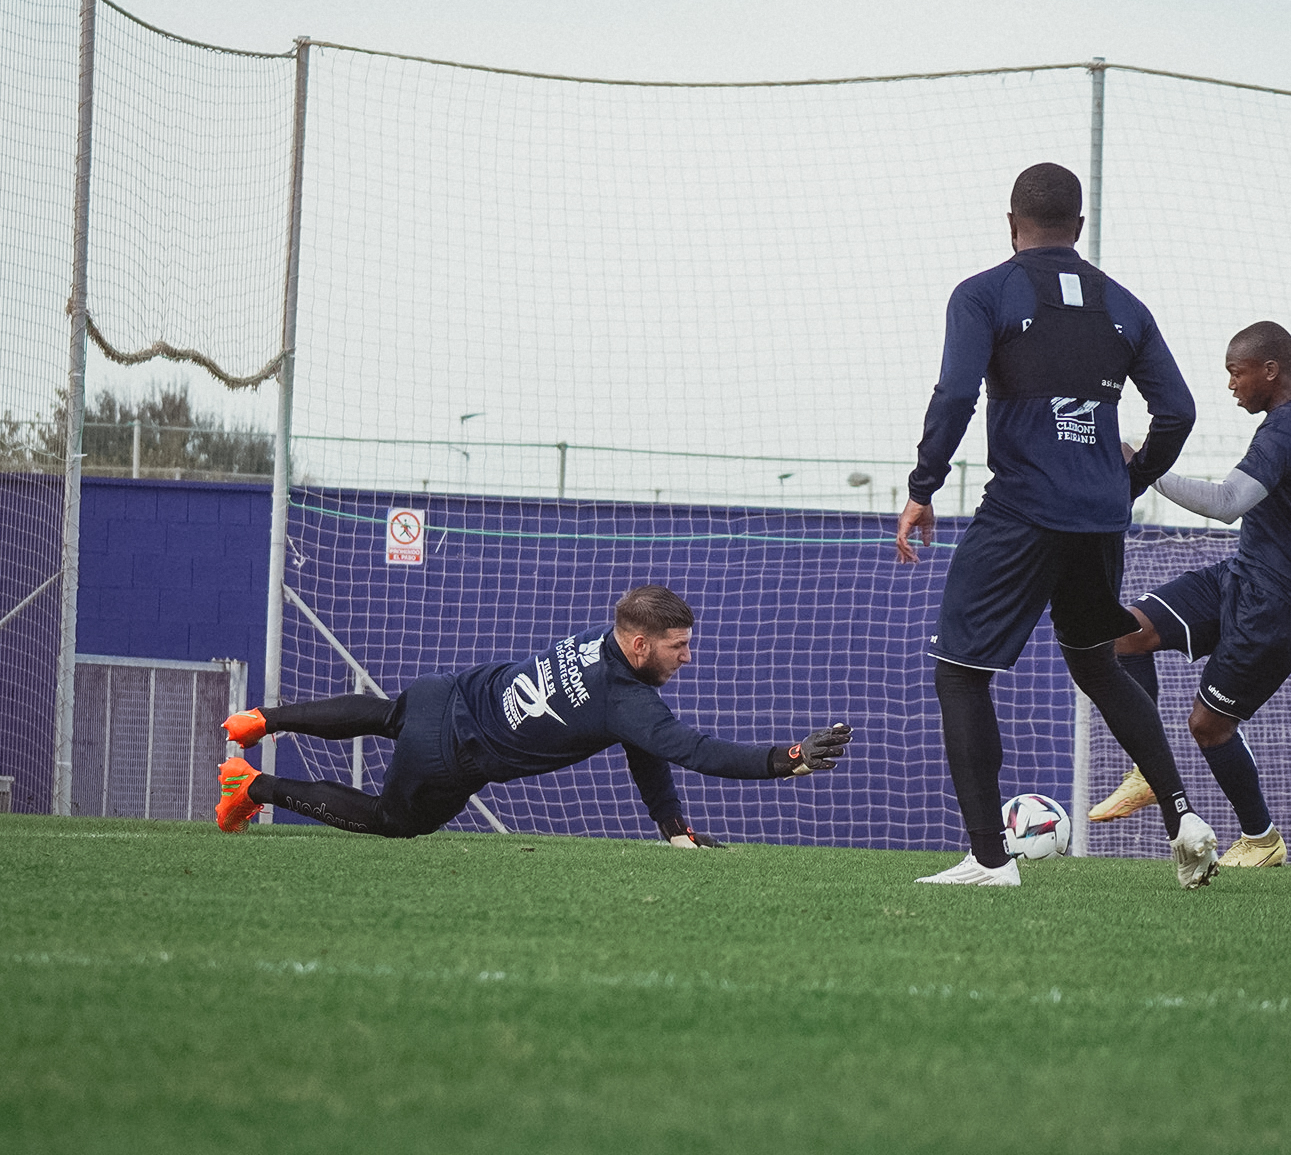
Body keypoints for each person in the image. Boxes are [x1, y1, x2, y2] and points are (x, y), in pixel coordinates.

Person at [895, 161, 1221, 890]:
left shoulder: (985, 292)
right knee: (1096, 662)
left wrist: (923, 487)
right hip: (1099, 521)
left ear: (1013, 224)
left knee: (960, 671)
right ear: (1077, 228)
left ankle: (988, 859)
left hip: (1021, 512)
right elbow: (1179, 412)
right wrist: (1125, 484)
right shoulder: (1124, 304)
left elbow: (955, 393)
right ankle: (1185, 820)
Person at [214, 584, 853, 841]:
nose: (688, 656)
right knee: (394, 822)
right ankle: (254, 785)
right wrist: (788, 757)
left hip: (446, 693)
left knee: (385, 715)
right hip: (450, 757)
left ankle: (262, 719)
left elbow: (647, 749)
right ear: (639, 645)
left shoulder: (602, 648)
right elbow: (692, 748)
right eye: (677, 645)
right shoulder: (628, 699)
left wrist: (671, 826)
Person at [1090, 320, 1291, 867]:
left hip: (1281, 601)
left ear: (1270, 370)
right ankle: (1147, 774)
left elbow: (1228, 503)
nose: (1231, 385)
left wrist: (1144, 466)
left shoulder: (1288, 428)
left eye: (1236, 373)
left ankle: (1261, 840)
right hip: (1243, 575)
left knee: (1209, 724)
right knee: (1123, 635)